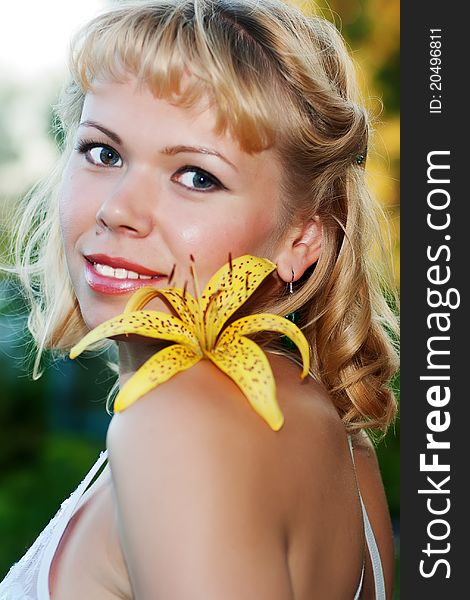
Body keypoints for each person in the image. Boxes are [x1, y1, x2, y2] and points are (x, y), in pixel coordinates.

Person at [0, 0, 399, 598]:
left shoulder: (175, 422)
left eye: (196, 176)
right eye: (103, 153)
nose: (117, 210)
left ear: (302, 239)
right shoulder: (343, 443)